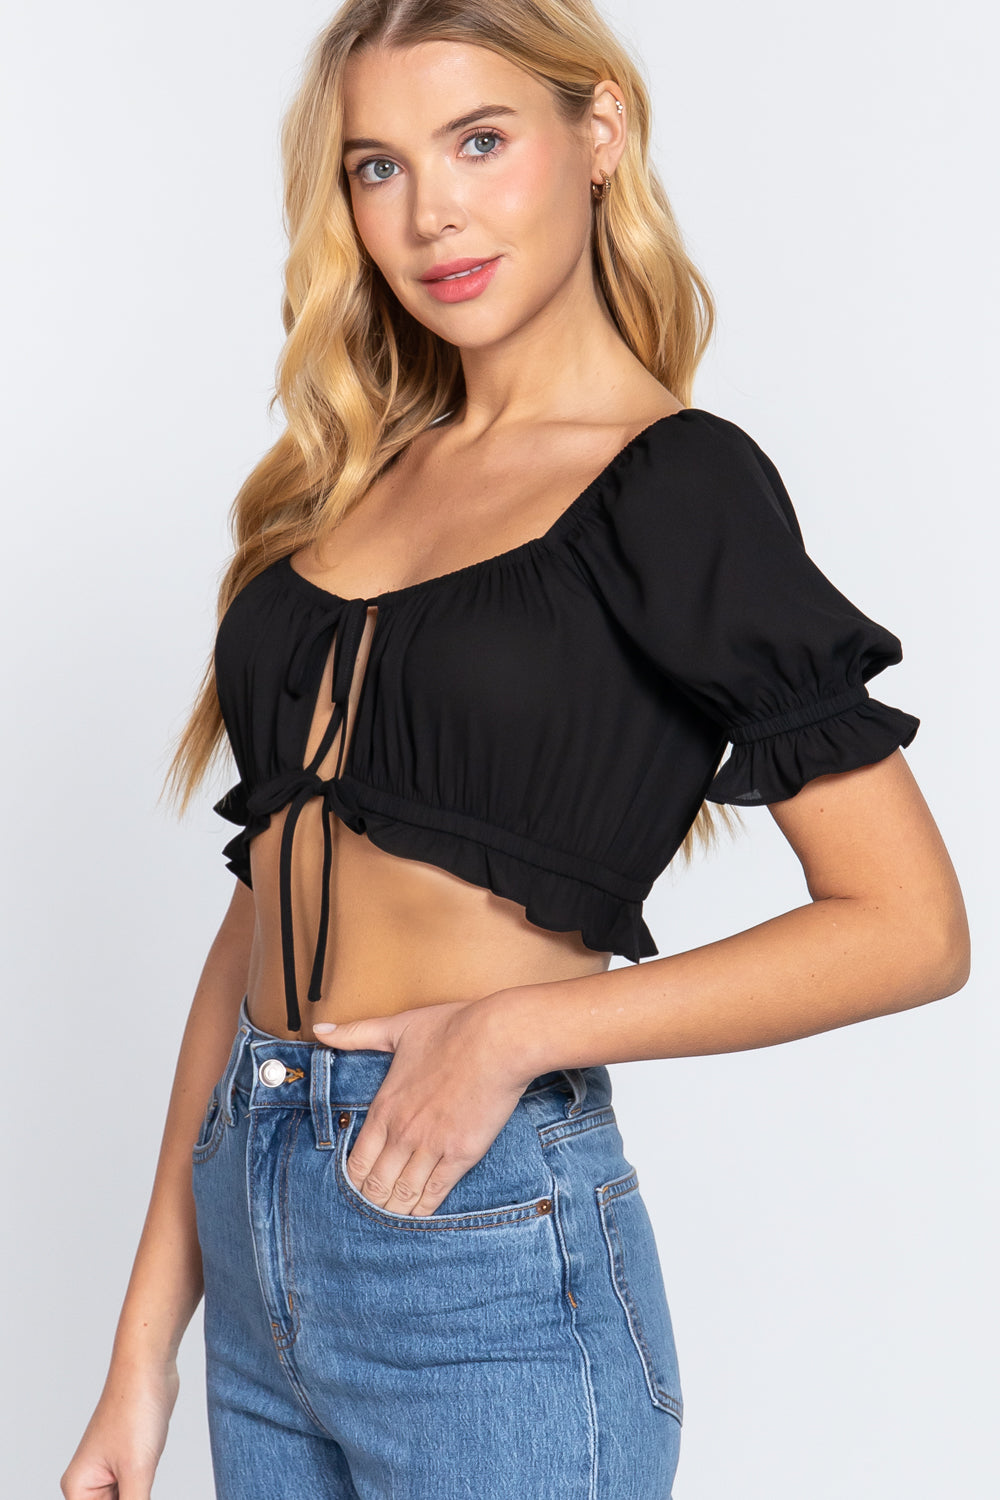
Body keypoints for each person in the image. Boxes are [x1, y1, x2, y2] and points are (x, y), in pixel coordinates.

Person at [60, 2, 971, 1497]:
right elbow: (260, 919)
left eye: (479, 142)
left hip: (480, 1243)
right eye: (378, 166)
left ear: (598, 131)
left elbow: (912, 928)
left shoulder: (675, 485)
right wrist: (139, 1352)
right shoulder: (353, 484)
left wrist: (515, 1032)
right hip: (258, 1216)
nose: (431, 213)